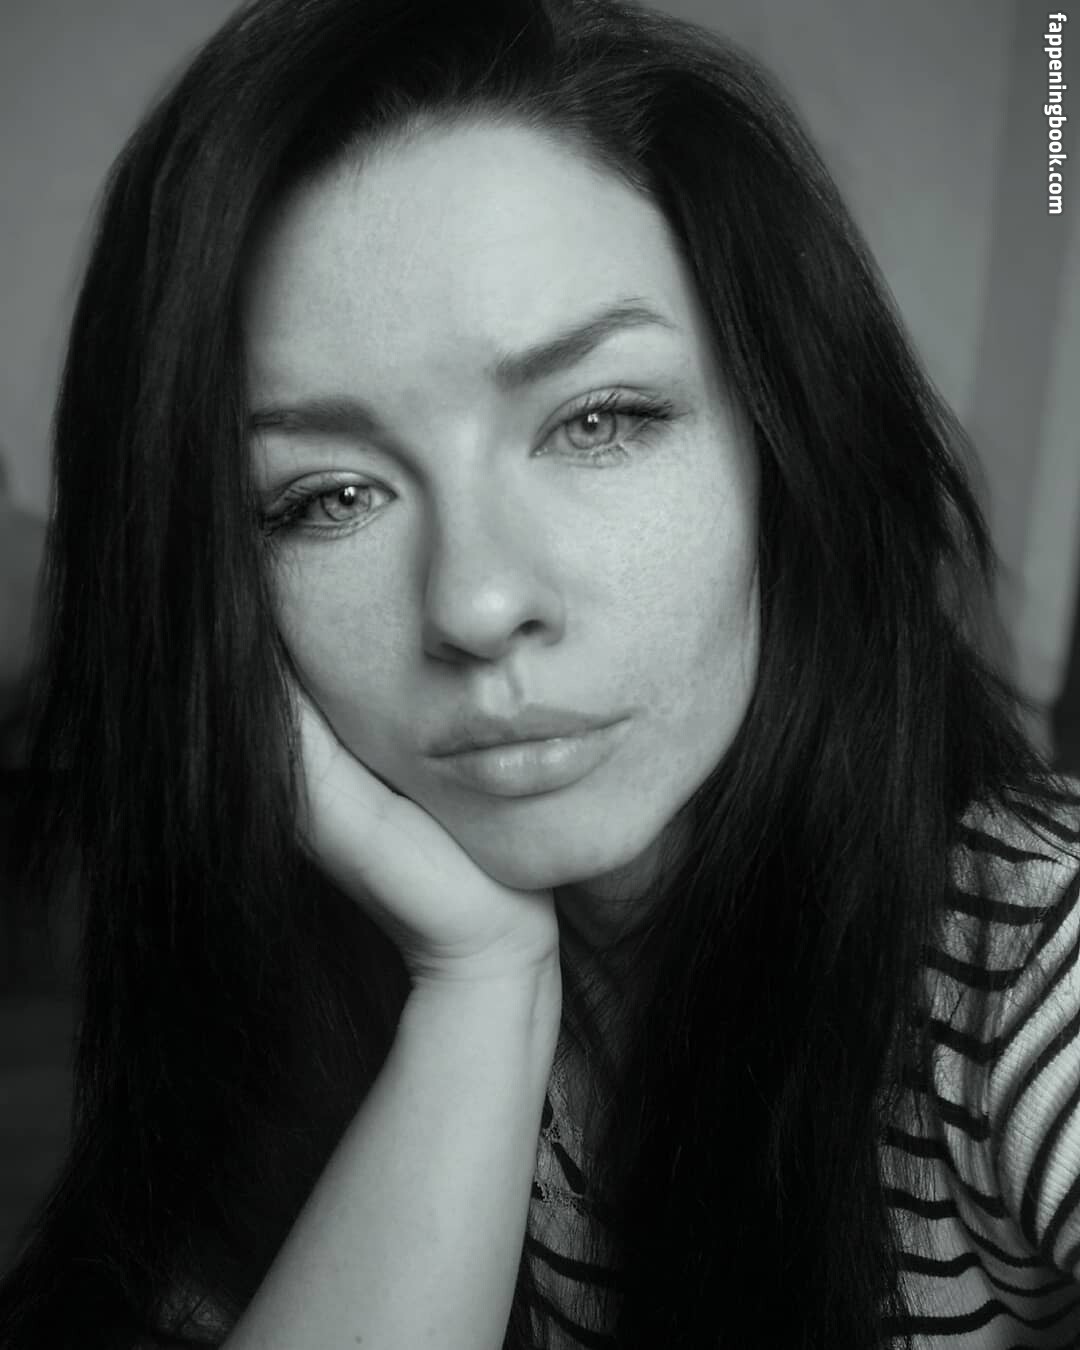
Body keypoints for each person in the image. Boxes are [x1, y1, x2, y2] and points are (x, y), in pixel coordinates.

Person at [1, 0, 1078, 1345]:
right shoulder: (289, 985)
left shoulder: (1028, 955)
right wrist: (479, 986)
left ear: (787, 449)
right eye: (328, 497)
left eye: (600, 419)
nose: (478, 602)